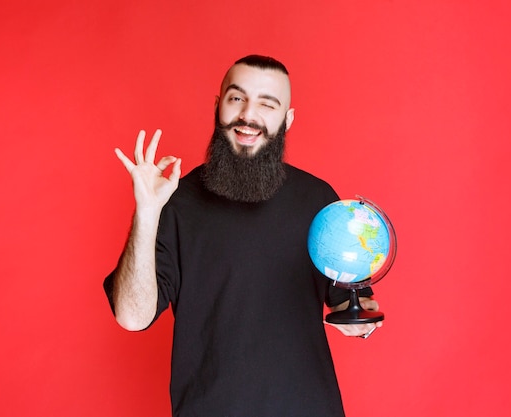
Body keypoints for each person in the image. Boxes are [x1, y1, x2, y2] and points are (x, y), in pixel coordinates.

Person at [104, 55, 382, 417]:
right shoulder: (176, 202)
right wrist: (146, 212)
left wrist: (362, 319)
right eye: (237, 98)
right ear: (218, 105)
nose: (249, 115)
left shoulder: (318, 200)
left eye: (268, 104)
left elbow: (349, 301)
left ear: (288, 119)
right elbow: (131, 317)